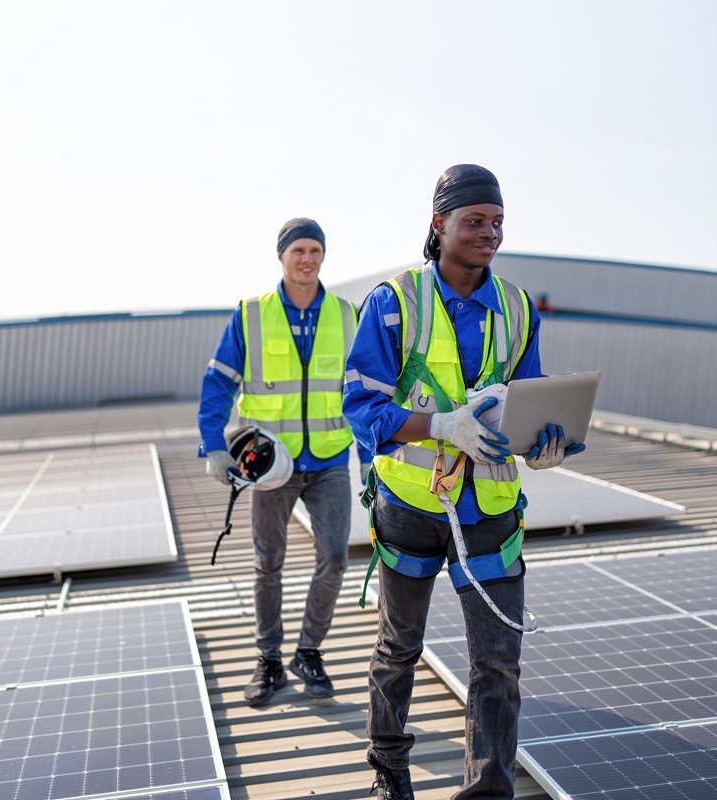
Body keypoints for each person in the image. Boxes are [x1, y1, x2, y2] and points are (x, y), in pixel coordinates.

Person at [343, 165, 584, 799]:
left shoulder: (517, 307)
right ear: (439, 224)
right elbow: (359, 409)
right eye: (475, 220)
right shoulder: (394, 305)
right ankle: (389, 771)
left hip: (492, 509)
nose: (490, 233)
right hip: (411, 506)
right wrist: (440, 425)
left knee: (498, 665)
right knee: (399, 647)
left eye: (497, 221)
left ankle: (489, 793)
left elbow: (527, 401)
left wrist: (545, 445)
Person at [198, 217, 368, 707]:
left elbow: (365, 391)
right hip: (272, 463)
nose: (308, 258)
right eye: (299, 250)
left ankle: (308, 652)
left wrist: (370, 457)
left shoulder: (346, 314)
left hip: (331, 456)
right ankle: (268, 660)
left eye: (316, 250)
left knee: (334, 556)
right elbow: (218, 382)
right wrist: (213, 445)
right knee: (267, 562)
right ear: (281, 256)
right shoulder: (251, 315)